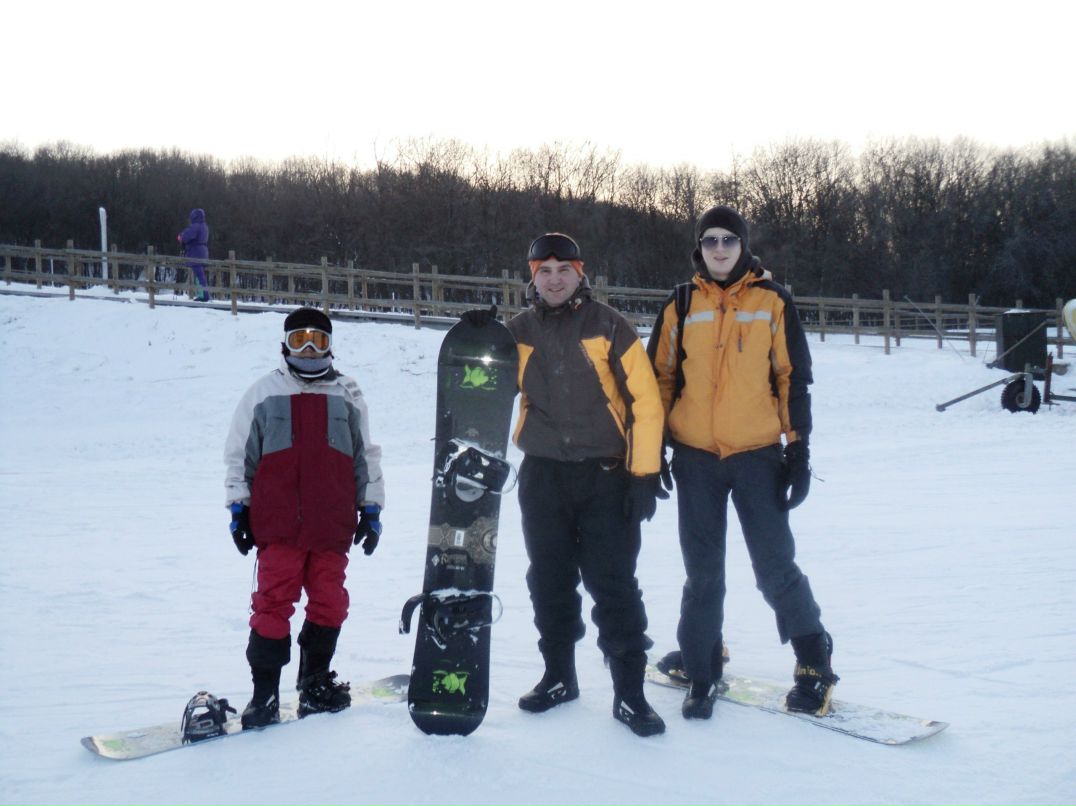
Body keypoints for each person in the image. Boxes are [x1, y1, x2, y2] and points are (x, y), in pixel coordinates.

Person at [470, 232, 668, 736]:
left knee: (613, 583)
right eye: (544, 271)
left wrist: (643, 474)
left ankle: (630, 694)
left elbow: (646, 403)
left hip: (607, 478)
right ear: (531, 277)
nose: (554, 279)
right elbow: (483, 388)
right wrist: (477, 340)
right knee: (550, 580)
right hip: (543, 477)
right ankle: (559, 675)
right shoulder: (517, 332)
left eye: (564, 270)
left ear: (581, 273)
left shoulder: (610, 327)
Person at [647, 205, 837, 720]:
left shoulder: (772, 301)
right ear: (699, 248)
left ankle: (814, 661)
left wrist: (797, 449)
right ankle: (702, 665)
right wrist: (652, 449)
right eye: (710, 241)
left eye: (729, 240)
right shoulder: (682, 303)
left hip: (756, 455)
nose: (719, 249)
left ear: (743, 245)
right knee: (702, 572)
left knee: (774, 566)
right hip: (696, 458)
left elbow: (791, 378)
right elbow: (659, 379)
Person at [224, 307, 385, 728]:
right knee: (273, 604)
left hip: (331, 525)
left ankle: (314, 682)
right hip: (278, 525)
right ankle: (265, 695)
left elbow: (365, 456)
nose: (310, 348)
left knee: (331, 603)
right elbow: (240, 455)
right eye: (300, 340)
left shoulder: (347, 394)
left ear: (331, 346)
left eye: (318, 340)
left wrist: (371, 509)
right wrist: (238, 508)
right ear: (284, 344)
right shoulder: (263, 393)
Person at [177, 208, 210, 302]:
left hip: (196, 252)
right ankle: (202, 294)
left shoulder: (195, 226)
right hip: (203, 252)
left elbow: (187, 236)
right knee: (200, 274)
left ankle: (203, 295)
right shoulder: (204, 226)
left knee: (199, 275)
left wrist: (181, 237)